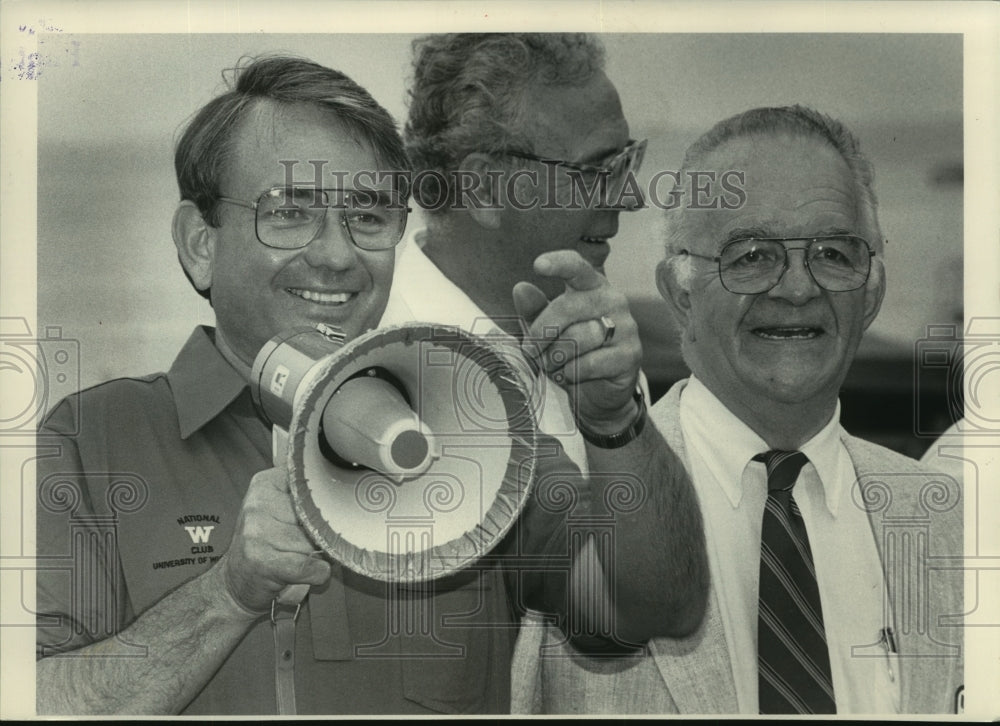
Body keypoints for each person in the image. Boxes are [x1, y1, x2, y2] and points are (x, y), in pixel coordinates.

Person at [512, 105, 964, 714]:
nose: (798, 288)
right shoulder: (563, 501)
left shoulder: (956, 525)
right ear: (679, 291)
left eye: (834, 252)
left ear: (873, 288)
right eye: (750, 255)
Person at [381, 31, 709, 684]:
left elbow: (671, 605)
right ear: (483, 189)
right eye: (596, 171)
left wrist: (617, 418)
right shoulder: (381, 368)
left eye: (627, 161)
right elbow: (631, 615)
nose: (628, 197)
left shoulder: (577, 328)